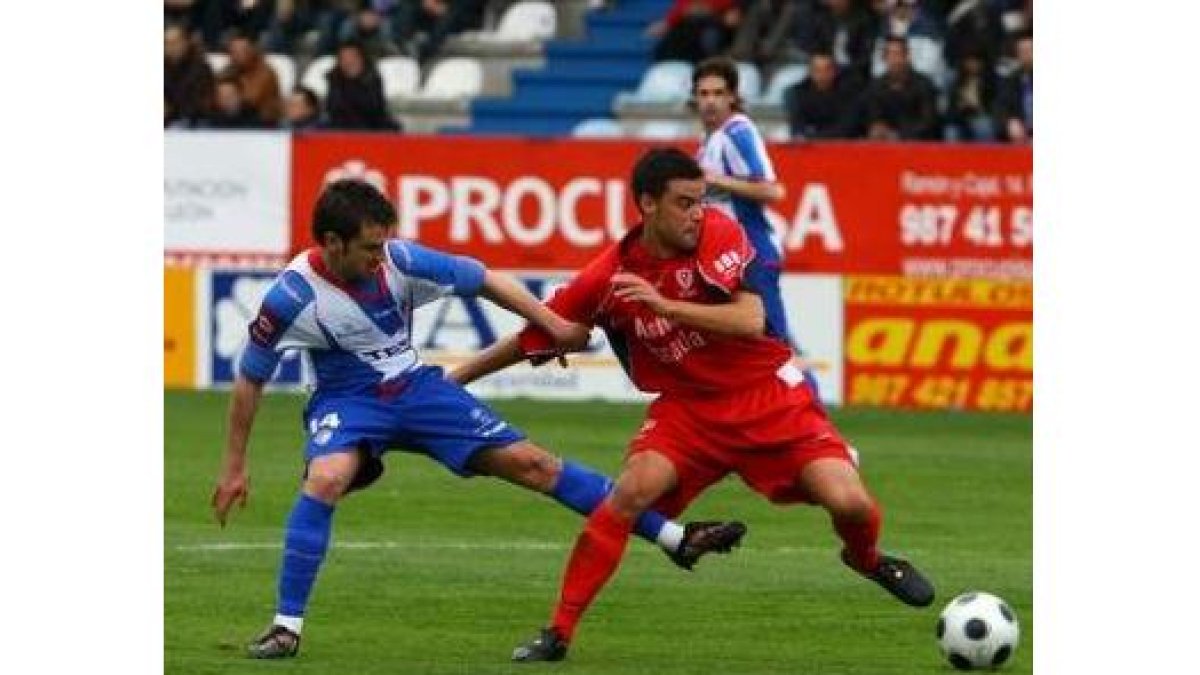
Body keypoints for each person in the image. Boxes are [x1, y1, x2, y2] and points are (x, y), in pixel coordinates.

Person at [211, 179, 746, 660]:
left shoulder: (400, 260)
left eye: (384, 244)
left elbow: (487, 279)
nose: (382, 257)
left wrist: (553, 323)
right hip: (346, 402)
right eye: (370, 248)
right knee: (325, 477)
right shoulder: (291, 297)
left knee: (535, 465)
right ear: (332, 242)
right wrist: (235, 466)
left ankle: (676, 538)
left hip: (419, 391)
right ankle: (286, 627)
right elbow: (250, 378)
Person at [449, 148, 935, 662]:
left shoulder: (719, 233)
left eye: (700, 200)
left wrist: (665, 306)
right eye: (684, 203)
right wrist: (456, 378)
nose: (698, 213)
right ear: (647, 204)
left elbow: (750, 318)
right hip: (688, 412)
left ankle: (866, 558)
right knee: (630, 494)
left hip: (767, 397)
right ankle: (559, 632)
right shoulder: (608, 276)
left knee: (851, 504)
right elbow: (543, 331)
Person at [690, 56, 797, 352]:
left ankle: (808, 397)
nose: (710, 101)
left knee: (775, 349)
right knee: (741, 349)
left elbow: (772, 191)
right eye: (703, 94)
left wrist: (716, 179)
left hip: (753, 252)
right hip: (726, 259)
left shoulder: (737, 132)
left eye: (718, 93)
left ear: (733, 97)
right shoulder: (708, 140)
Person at [861, 35, 940, 140]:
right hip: (886, 144)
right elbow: (873, 114)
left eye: (897, 54)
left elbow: (929, 122)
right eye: (889, 55)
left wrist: (899, 135)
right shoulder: (877, 85)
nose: (893, 60)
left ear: (907, 56)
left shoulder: (923, 84)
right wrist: (877, 126)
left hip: (919, 145)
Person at [783, 51, 863, 139]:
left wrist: (812, 136)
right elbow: (798, 128)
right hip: (810, 145)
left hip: (842, 145)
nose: (822, 75)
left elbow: (847, 129)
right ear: (810, 72)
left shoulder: (850, 94)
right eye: (817, 70)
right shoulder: (798, 93)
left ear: (835, 71)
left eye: (827, 70)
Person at [324, 40, 402, 130]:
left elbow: (374, 109)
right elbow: (333, 109)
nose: (349, 62)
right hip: (341, 129)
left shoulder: (372, 79)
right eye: (344, 58)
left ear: (362, 59)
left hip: (370, 129)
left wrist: (354, 83)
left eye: (352, 57)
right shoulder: (335, 79)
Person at [220, 32, 283, 125]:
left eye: (242, 51)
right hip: (234, 117)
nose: (238, 55)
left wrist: (231, 95)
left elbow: (252, 99)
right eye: (234, 52)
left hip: (261, 120)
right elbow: (217, 92)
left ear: (252, 51)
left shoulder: (265, 72)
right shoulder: (230, 70)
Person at [164, 23, 215, 128]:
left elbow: (201, 102)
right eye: (167, 43)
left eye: (175, 43)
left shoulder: (200, 67)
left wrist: (170, 109)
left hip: (194, 121)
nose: (171, 47)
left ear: (185, 43)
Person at [993, 31, 1031, 143]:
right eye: (1022, 51)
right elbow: (1001, 104)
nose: (1026, 54)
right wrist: (1009, 121)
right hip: (1021, 131)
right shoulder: (1011, 79)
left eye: (1029, 51)